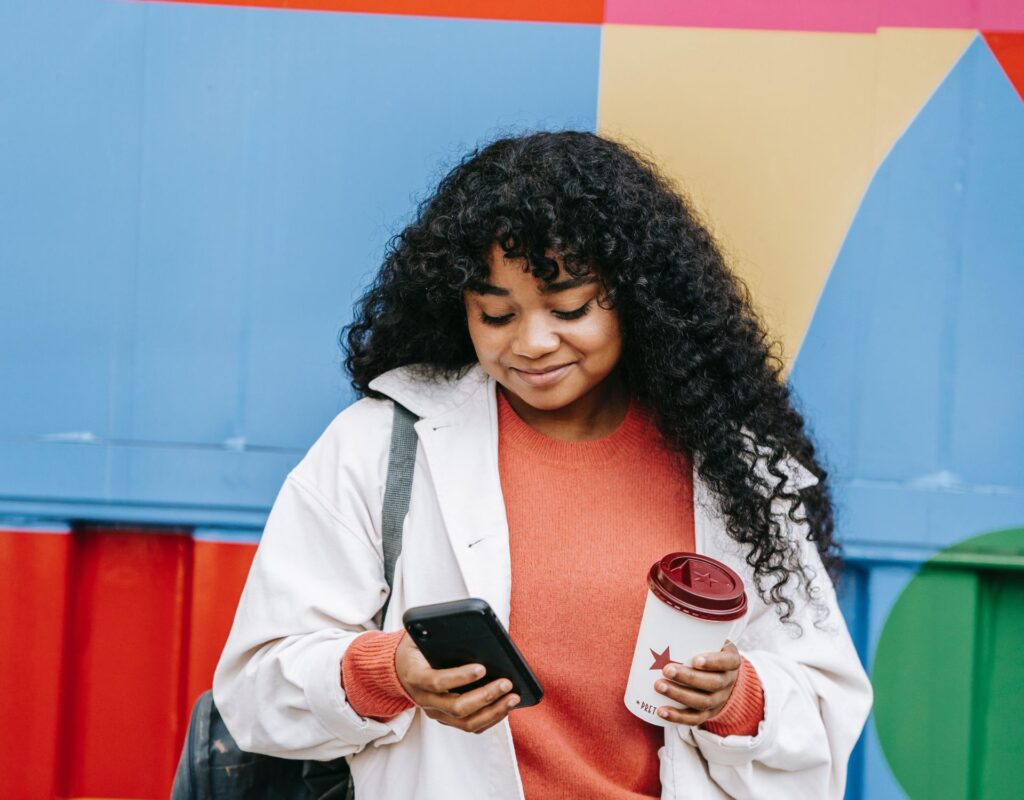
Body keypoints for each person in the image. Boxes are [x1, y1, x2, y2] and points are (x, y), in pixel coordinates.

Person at [212, 130, 872, 800]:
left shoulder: (733, 467)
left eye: (570, 308)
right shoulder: (377, 446)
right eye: (496, 315)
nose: (532, 343)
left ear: (638, 297)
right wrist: (387, 675)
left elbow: (825, 723)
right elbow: (255, 690)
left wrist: (738, 700)